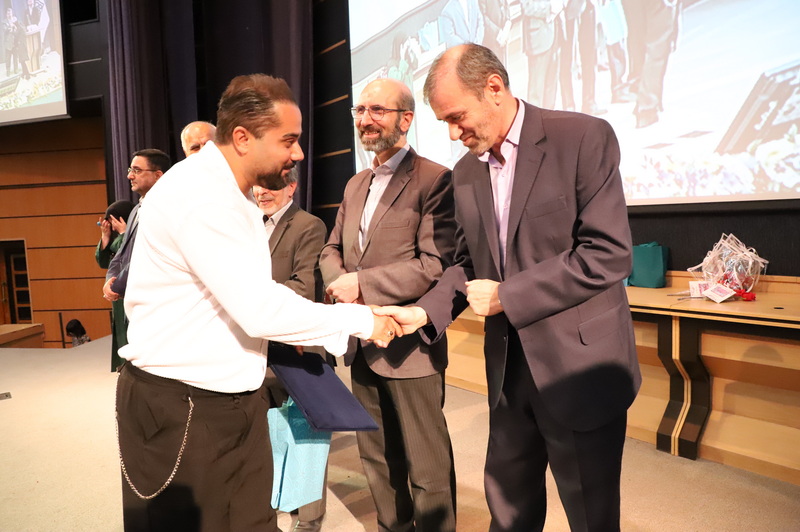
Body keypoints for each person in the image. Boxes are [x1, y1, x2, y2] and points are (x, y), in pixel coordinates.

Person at [116, 74, 400, 532]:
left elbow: (251, 297)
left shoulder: (228, 191)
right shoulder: (202, 196)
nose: (299, 153)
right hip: (183, 407)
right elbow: (259, 308)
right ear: (243, 138)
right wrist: (364, 321)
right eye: (288, 140)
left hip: (230, 401)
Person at [376, 44, 641, 532]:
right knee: (509, 512)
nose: (453, 134)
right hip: (507, 374)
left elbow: (608, 253)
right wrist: (425, 311)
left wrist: (507, 296)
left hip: (577, 367)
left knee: (591, 517)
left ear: (494, 88)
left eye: (457, 118)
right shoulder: (465, 173)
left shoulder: (582, 138)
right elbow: (466, 264)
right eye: (444, 123)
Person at [319, 78, 458, 532]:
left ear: (406, 119)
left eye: (377, 110)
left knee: (427, 466)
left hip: (409, 345)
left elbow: (434, 265)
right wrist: (340, 284)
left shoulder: (435, 179)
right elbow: (330, 249)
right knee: (377, 459)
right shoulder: (355, 183)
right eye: (360, 111)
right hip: (362, 342)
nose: (365, 120)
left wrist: (361, 284)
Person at [254, 168, 329, 532]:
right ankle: (273, 505)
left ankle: (310, 518)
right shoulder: (249, 227)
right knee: (265, 436)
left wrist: (248, 302)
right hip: (256, 350)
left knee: (305, 435)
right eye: (257, 186)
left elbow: (303, 286)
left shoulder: (308, 226)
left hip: (298, 348)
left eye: (270, 186)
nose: (261, 192)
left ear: (292, 186)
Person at [101, 149, 170, 370]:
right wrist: (110, 279)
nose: (130, 175)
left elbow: (148, 254)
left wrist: (117, 285)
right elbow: (121, 254)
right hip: (133, 298)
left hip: (156, 300)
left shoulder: (166, 208)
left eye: (137, 170)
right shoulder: (136, 210)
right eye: (130, 169)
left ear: (158, 175)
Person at [95, 199, 135, 370]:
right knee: (121, 332)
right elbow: (103, 262)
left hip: (130, 290)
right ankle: (124, 367)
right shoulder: (116, 239)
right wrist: (105, 237)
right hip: (117, 294)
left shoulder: (132, 235)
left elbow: (128, 254)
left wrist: (125, 233)